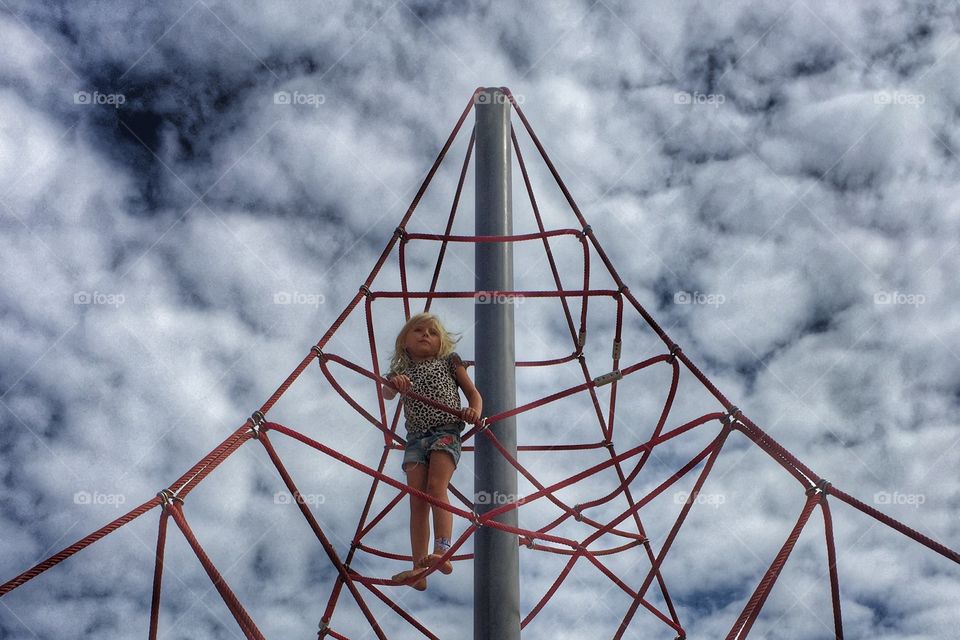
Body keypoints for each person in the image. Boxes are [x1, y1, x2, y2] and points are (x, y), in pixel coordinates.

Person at [382, 312, 482, 590]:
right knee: (416, 500)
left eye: (433, 332)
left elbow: (474, 394)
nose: (426, 335)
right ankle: (418, 569)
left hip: (445, 430)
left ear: (442, 344)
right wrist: (393, 385)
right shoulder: (401, 373)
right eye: (418, 331)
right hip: (415, 438)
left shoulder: (449, 362)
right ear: (405, 342)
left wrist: (474, 411)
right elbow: (387, 393)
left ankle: (442, 549)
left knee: (436, 487)